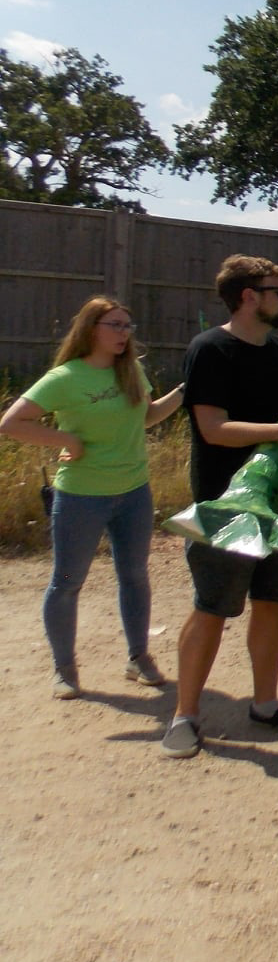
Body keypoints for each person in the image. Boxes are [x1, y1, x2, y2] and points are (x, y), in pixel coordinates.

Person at [161, 255, 278, 759]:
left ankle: (266, 704)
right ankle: (185, 716)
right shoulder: (210, 351)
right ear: (249, 296)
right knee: (212, 608)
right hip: (225, 506)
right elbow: (213, 429)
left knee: (272, 604)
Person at [1, 296, 184, 699]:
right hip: (81, 497)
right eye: (115, 325)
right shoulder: (65, 377)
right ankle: (64, 669)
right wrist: (65, 438)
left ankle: (138, 658)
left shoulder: (131, 370)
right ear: (91, 329)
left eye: (127, 326)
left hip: (134, 492)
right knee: (67, 582)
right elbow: (12, 423)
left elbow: (147, 416)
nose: (124, 334)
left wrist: (184, 393)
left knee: (134, 577)